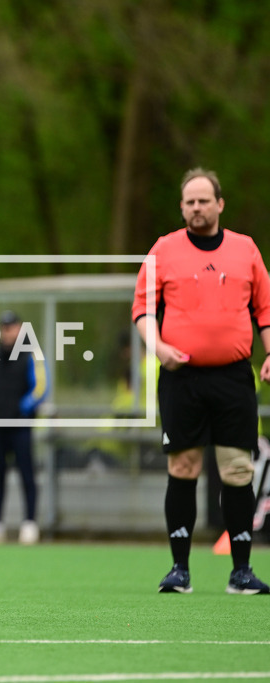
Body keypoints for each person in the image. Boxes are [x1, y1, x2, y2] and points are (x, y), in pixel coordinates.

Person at [133, 167, 270, 595]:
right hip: (181, 378)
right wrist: (158, 347)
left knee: (237, 468)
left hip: (232, 377)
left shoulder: (245, 250)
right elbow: (142, 309)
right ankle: (180, 570)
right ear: (182, 207)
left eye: (203, 200)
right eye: (189, 202)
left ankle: (241, 572)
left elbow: (265, 309)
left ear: (219, 204)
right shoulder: (164, 250)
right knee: (183, 466)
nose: (196, 208)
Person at [0, 311, 48, 546]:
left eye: (11, 327)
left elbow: (41, 387)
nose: (7, 331)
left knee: (26, 473)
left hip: (20, 425)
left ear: (20, 328)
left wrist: (21, 407)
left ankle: (29, 524)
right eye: (4, 327)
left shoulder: (32, 353)